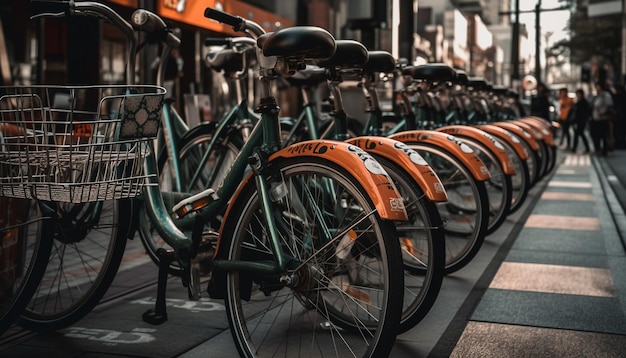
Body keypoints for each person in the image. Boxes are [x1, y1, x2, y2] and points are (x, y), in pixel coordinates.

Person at [589, 81, 614, 156]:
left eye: (598, 87)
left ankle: (604, 150)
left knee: (603, 135)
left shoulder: (606, 95)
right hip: (595, 118)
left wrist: (604, 112)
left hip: (603, 119)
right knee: (594, 134)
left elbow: (610, 106)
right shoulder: (596, 96)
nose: (597, 88)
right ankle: (597, 149)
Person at [570, 88, 590, 154]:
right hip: (578, 120)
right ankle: (585, 148)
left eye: (578, 94)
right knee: (579, 134)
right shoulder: (578, 102)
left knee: (579, 134)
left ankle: (576, 148)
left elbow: (585, 112)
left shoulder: (583, 102)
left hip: (581, 120)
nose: (577, 95)